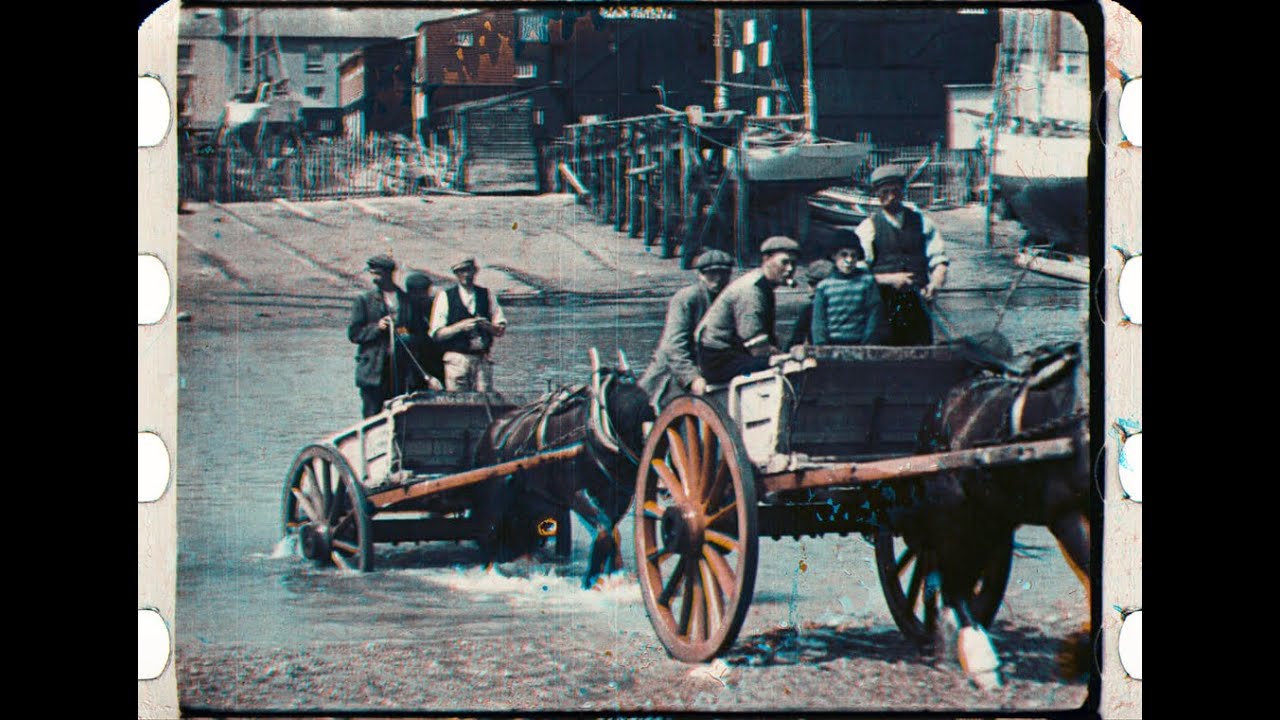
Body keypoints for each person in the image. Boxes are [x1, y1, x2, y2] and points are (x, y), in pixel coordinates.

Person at [856, 164, 950, 346]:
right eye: (884, 192)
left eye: (895, 191)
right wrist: (888, 279)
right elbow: (858, 273)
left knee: (921, 351)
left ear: (903, 192)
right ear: (876, 193)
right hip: (883, 305)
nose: (890, 197)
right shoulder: (868, 227)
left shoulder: (923, 223)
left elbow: (939, 260)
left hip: (918, 301)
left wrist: (936, 283)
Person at [695, 236, 799, 384]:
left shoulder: (763, 285)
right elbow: (755, 343)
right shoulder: (751, 290)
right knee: (785, 369)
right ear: (766, 259)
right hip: (719, 359)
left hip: (732, 352)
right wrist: (783, 357)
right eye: (784, 262)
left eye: (793, 264)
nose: (790, 269)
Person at [638, 249, 734, 408]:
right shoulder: (687, 298)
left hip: (710, 370)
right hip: (673, 372)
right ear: (701, 275)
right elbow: (674, 346)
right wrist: (692, 378)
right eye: (712, 274)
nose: (718, 279)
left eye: (723, 273)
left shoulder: (731, 298)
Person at [429, 256, 507, 392]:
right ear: (455, 274)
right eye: (460, 271)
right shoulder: (445, 297)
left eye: (468, 270)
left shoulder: (487, 295)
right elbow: (437, 334)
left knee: (485, 399)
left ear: (475, 271)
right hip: (456, 360)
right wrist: (460, 327)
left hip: (482, 358)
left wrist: (487, 326)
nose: (465, 275)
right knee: (458, 402)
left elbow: (499, 330)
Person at [348, 254, 408, 418]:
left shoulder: (405, 299)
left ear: (389, 273)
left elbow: (412, 330)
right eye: (372, 273)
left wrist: (401, 331)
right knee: (372, 416)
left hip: (399, 370)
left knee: (399, 416)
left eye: (378, 273)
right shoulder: (364, 300)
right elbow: (354, 334)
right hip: (373, 371)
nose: (374, 277)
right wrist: (377, 328)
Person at [811, 238, 888, 346]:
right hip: (832, 344)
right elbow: (819, 320)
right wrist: (821, 345)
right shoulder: (824, 286)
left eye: (853, 256)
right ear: (834, 256)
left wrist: (869, 343)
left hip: (860, 343)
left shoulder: (867, 282)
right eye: (844, 255)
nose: (849, 260)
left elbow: (874, 314)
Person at [398, 271, 446, 391]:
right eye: (422, 292)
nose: (425, 296)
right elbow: (406, 346)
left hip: (435, 362)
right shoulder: (404, 311)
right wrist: (426, 376)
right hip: (414, 368)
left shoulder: (432, 306)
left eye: (426, 291)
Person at [787, 259, 833, 349]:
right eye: (811, 284)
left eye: (813, 284)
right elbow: (795, 342)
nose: (810, 290)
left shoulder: (811, 309)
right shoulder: (809, 310)